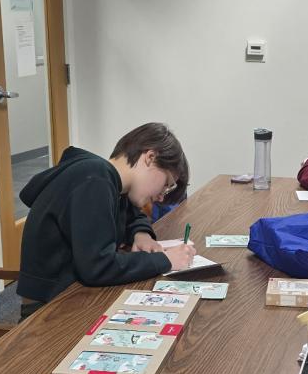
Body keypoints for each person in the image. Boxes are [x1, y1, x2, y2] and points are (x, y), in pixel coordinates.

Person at [17, 123, 196, 314]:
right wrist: (165, 260)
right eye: (166, 184)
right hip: (49, 310)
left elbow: (131, 214)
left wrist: (141, 234)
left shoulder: (112, 183)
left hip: (72, 295)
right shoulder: (95, 179)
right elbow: (98, 267)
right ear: (150, 157)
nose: (161, 197)